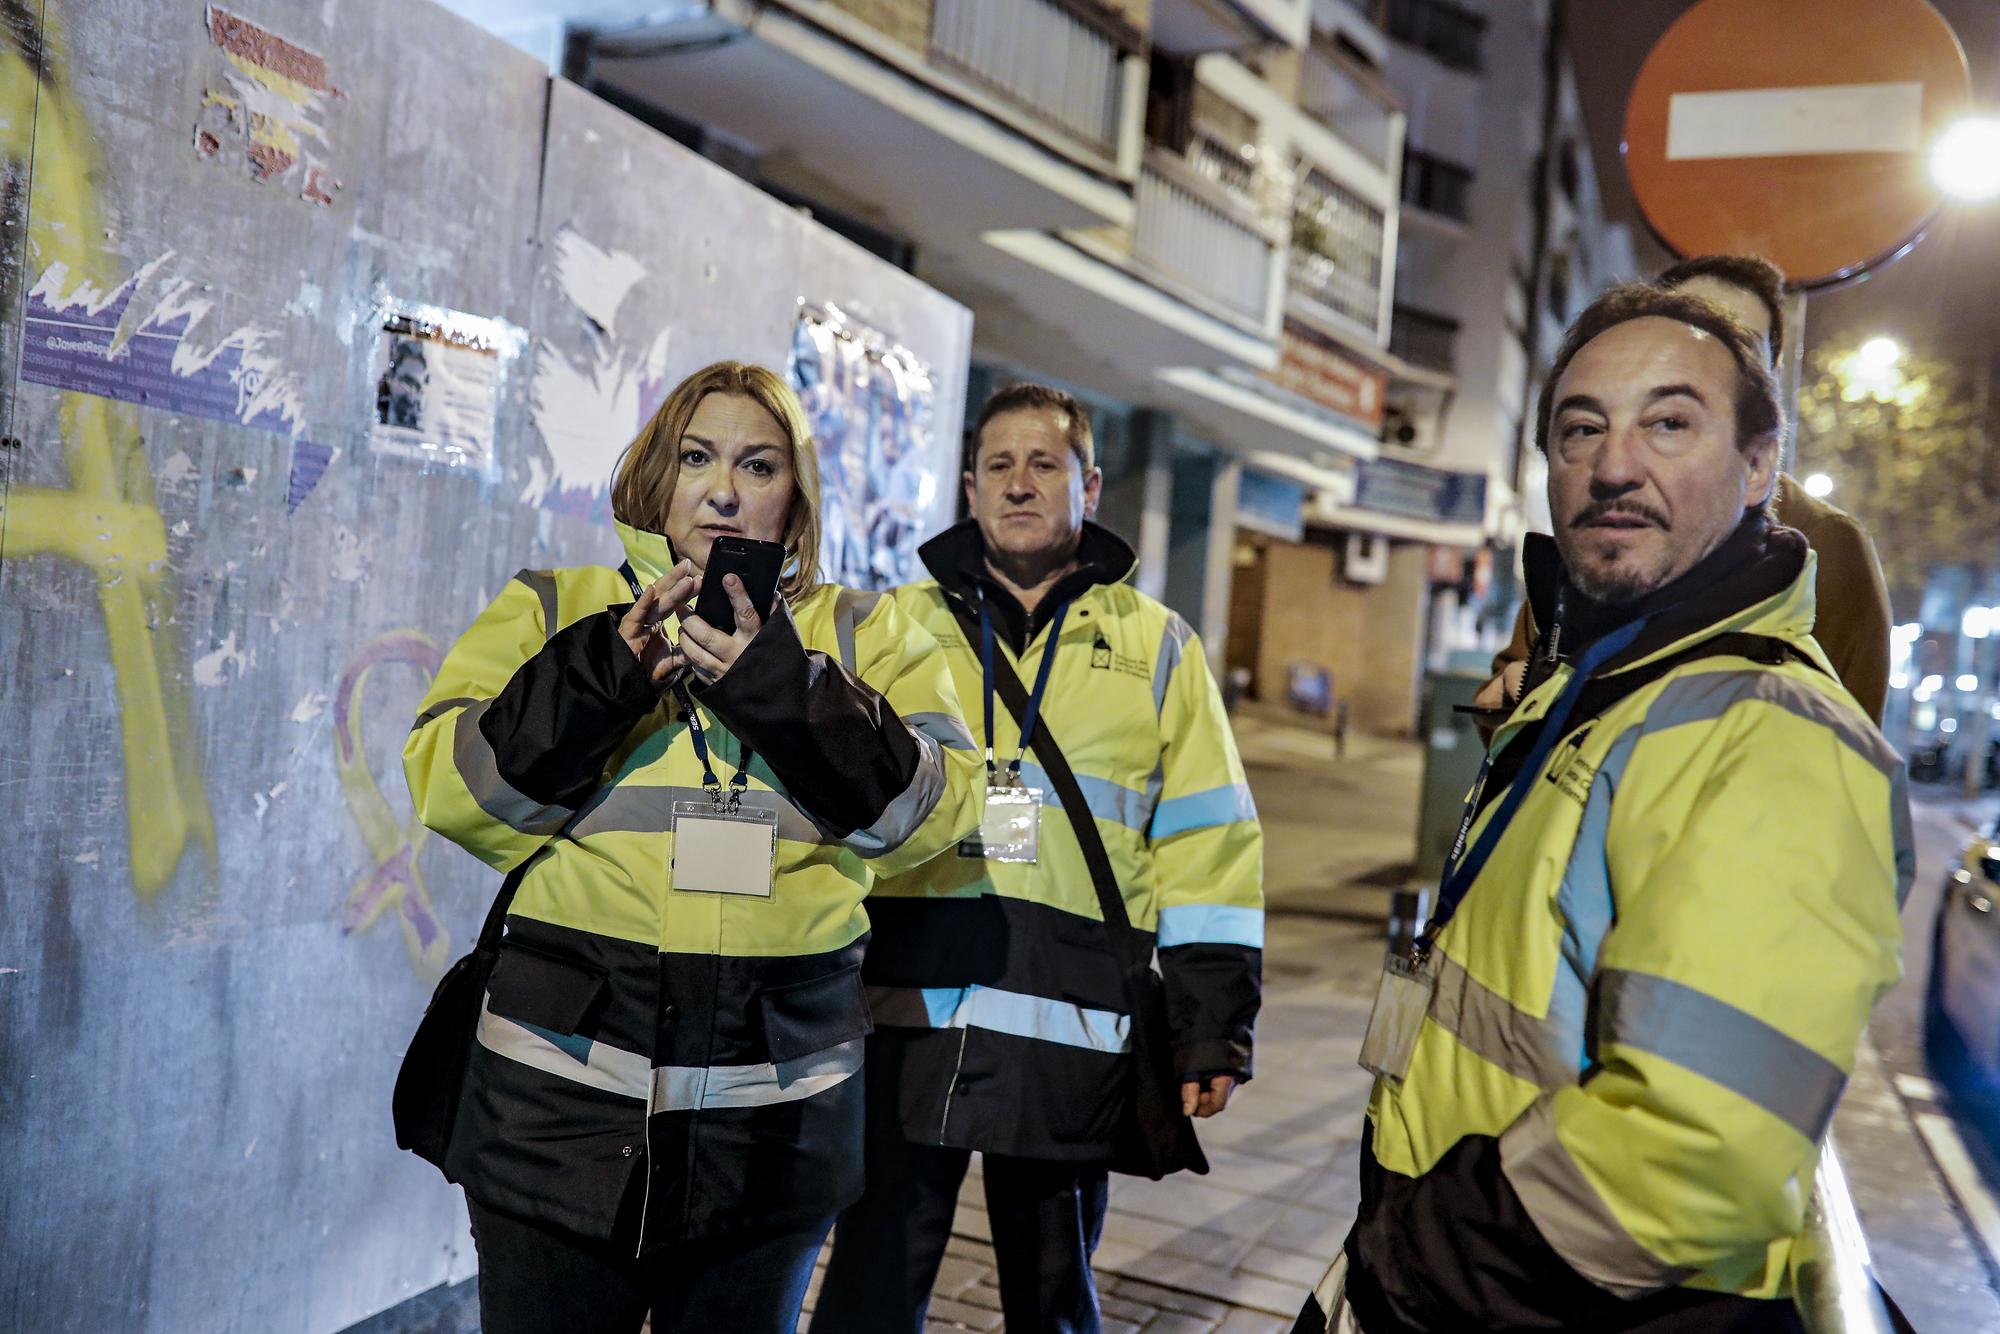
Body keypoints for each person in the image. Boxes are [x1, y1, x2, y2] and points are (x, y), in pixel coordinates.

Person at [1299, 286, 1912, 1333]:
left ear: (1760, 466)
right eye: (1580, 428)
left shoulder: (1771, 735)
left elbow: (1690, 1152)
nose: (1613, 464)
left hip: (1530, 1293)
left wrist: (1396, 1270)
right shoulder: (1610, 683)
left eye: (1668, 422)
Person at [402, 361, 982, 1334]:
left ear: (792, 492)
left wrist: (784, 690)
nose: (722, 488)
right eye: (696, 457)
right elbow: (456, 794)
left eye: (757, 464)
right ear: (652, 479)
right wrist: (602, 674)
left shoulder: (865, 632)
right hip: (555, 1115)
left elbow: (931, 818)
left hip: (775, 1131)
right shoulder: (554, 605)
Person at [813, 383, 1265, 1332]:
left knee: (1054, 1298)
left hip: (1075, 1025)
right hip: (908, 1009)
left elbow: (1209, 846)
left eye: (1045, 464)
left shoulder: (1159, 649)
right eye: (998, 465)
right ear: (970, 487)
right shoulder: (893, 628)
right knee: (870, 1284)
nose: (1020, 484)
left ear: (1088, 486)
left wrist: (1211, 1021)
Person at [1476, 254, 1893, 729]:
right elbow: (1515, 676)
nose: (1616, 469)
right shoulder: (1602, 520)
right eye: (1583, 428)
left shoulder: (1830, 543)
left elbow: (1841, 732)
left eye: (1738, 343)